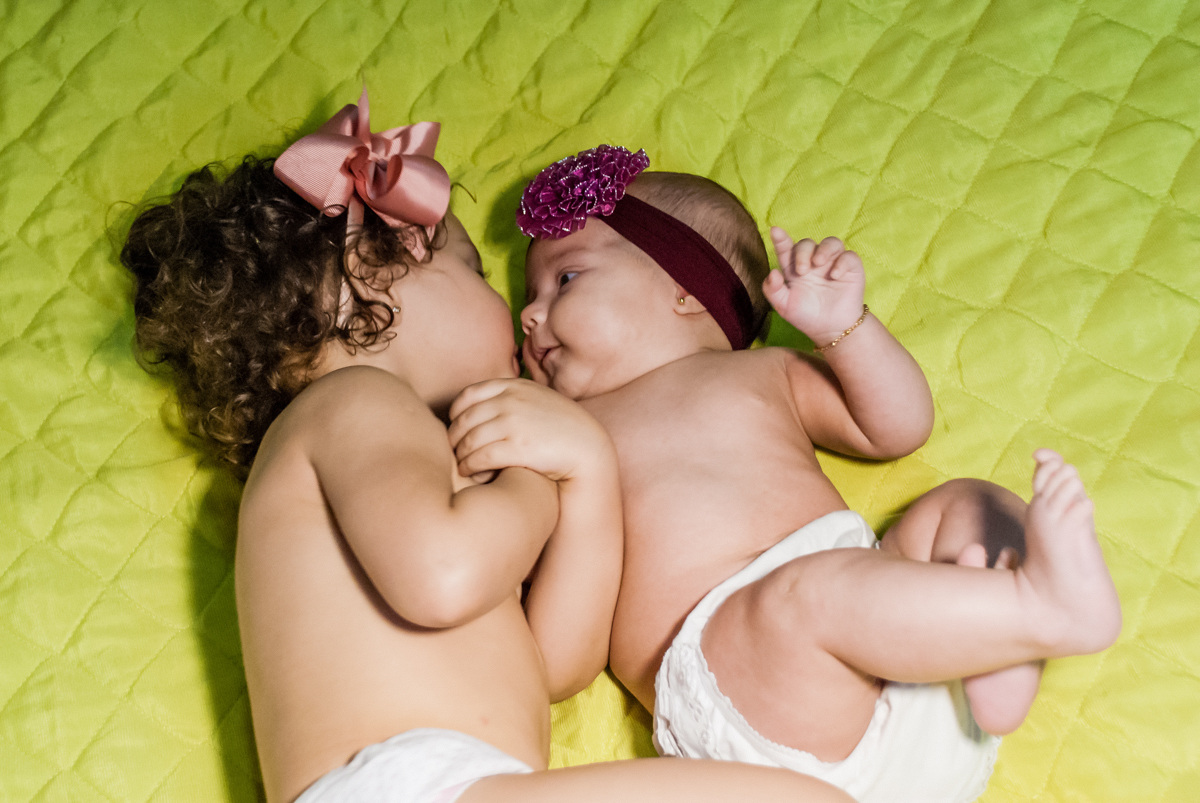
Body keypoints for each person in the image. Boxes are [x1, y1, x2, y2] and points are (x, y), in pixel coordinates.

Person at [121, 94, 852, 803]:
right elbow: (445, 575)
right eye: (472, 271)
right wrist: (533, 485)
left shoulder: (416, 464)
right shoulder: (348, 405)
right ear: (384, 272)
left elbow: (554, 665)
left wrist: (584, 467)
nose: (519, 317)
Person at [515, 144, 1122, 803]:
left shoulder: (766, 373)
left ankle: (1002, 632)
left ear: (683, 289)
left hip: (909, 663)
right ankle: (1027, 613)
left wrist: (845, 330)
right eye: (528, 295)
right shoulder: (563, 435)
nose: (530, 313)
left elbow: (896, 426)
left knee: (964, 503)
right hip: (759, 714)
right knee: (804, 597)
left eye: (564, 280)